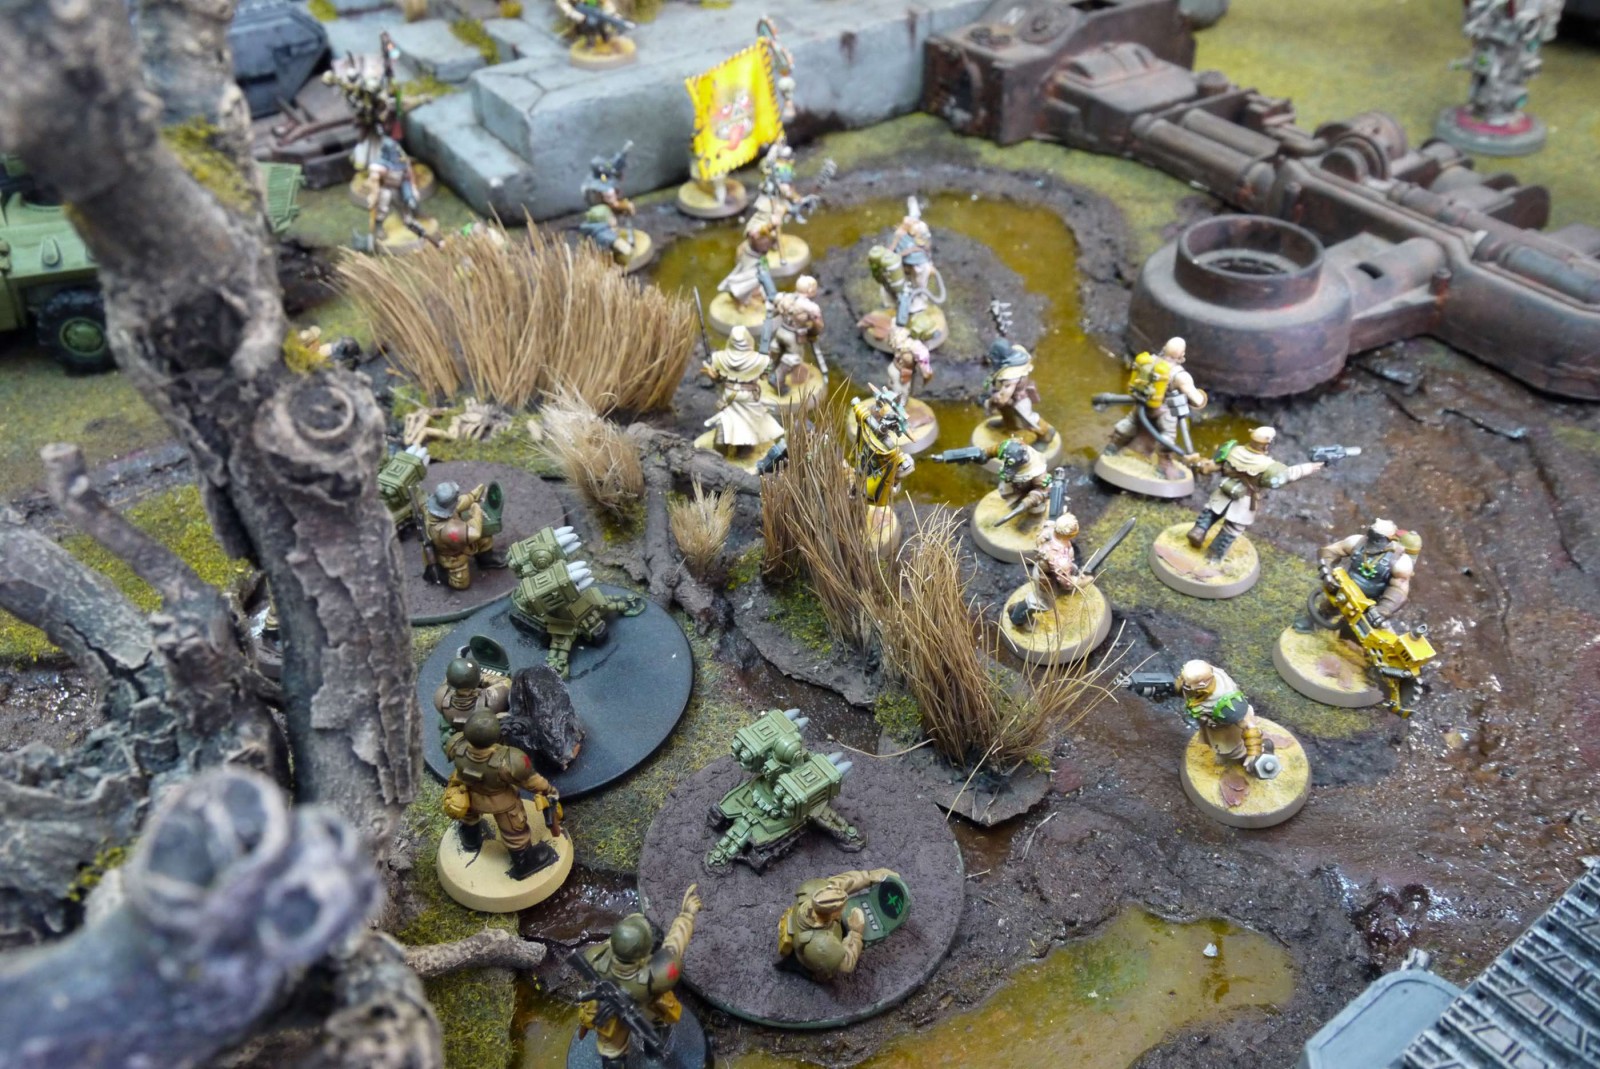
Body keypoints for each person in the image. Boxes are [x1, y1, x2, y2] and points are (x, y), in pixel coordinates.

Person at [578, 884, 703, 1068]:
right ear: (644, 956)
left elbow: (612, 946)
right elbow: (674, 945)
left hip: (609, 1013)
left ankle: (615, 1062)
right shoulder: (656, 976)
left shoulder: (595, 959)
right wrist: (686, 915)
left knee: (611, 1048)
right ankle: (654, 1053)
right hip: (647, 1009)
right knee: (657, 1025)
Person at [442, 710, 560, 879]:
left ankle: (470, 840)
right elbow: (531, 781)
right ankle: (524, 862)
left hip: (468, 795)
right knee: (514, 831)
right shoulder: (509, 760)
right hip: (501, 802)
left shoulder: (456, 746)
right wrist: (549, 790)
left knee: (469, 818)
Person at [1188, 426, 1323, 561]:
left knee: (1211, 512)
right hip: (1244, 501)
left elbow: (1214, 465)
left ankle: (1199, 530)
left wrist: (1199, 463)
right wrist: (1310, 467)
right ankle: (1213, 555)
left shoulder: (1233, 450)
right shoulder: (1269, 465)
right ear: (1266, 445)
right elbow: (1289, 475)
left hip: (1224, 490)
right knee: (1232, 528)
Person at [1103, 337, 1207, 477]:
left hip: (1142, 404)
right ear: (1182, 355)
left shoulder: (1149, 360)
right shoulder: (1180, 375)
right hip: (1164, 411)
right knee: (1168, 436)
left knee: (1130, 422)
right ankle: (1164, 467)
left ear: (1164, 348)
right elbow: (1196, 399)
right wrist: (1201, 399)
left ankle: (1112, 447)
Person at [1296, 518, 1420, 631]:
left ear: (1390, 538)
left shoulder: (1400, 561)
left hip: (1370, 602)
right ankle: (1316, 622)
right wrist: (1327, 573)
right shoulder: (1357, 542)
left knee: (1361, 628)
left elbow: (1399, 589)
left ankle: (1348, 639)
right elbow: (1330, 551)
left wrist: (1383, 609)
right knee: (1328, 608)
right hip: (1345, 589)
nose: (1373, 539)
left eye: (1378, 537)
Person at [778, 868, 900, 982]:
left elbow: (840, 884)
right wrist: (855, 932)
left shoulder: (814, 890)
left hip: (807, 937)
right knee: (827, 967)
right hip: (815, 959)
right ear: (833, 914)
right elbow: (846, 963)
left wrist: (868, 877)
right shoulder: (822, 945)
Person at [1176, 660, 1275, 778]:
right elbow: (1183, 687)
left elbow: (1248, 724)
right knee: (1217, 745)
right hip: (1209, 726)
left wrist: (1254, 750)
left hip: (1226, 729)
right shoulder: (1192, 684)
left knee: (1232, 750)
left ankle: (1256, 753)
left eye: (1188, 684)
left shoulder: (1227, 699)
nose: (1185, 685)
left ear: (1202, 684)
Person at [702, 326, 785, 453]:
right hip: (748, 396)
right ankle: (739, 447)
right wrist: (766, 362)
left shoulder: (719, 357)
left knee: (727, 418)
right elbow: (764, 376)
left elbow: (718, 379)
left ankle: (724, 443)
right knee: (748, 421)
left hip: (729, 394)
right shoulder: (761, 360)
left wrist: (713, 374)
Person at [423, 480, 505, 590]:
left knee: (485, 538)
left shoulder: (434, 509)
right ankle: (442, 575)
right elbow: (474, 532)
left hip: (458, 540)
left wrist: (472, 496)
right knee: (461, 582)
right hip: (453, 557)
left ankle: (485, 559)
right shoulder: (448, 530)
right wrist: (476, 511)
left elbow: (459, 503)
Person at [765, 275, 823, 396]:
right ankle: (777, 378)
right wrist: (812, 332)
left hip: (781, 330)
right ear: (810, 290)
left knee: (777, 351)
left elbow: (773, 308)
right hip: (794, 336)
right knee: (793, 358)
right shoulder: (810, 307)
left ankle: (769, 371)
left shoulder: (783, 297)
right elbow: (817, 325)